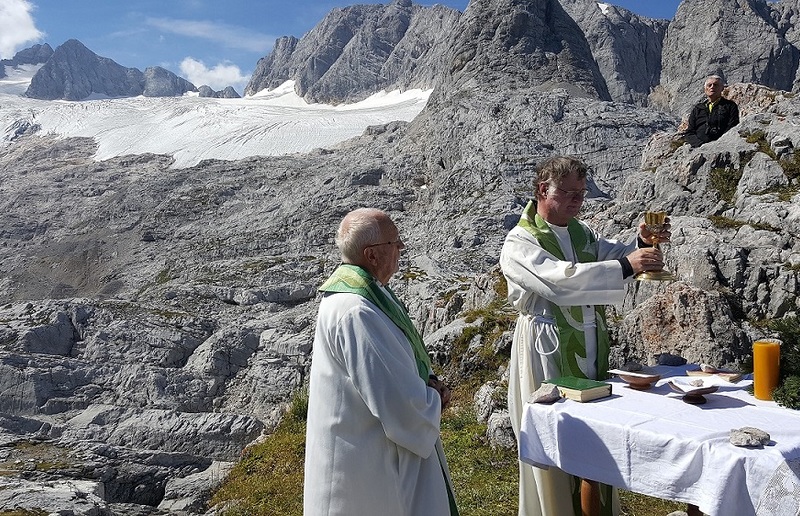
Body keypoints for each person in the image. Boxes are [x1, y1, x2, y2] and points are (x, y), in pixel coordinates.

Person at [499, 156, 670, 516]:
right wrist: (625, 265)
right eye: (568, 193)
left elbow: (611, 257)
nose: (577, 200)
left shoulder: (581, 232)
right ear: (543, 190)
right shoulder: (520, 241)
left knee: (594, 436)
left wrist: (641, 243)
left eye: (581, 192)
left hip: (589, 345)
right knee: (556, 440)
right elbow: (559, 281)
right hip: (546, 346)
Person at [303, 207, 458, 516]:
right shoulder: (356, 311)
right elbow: (398, 403)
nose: (401, 247)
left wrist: (426, 381)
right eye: (394, 242)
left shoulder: (368, 294)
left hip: (364, 442)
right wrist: (434, 399)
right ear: (372, 255)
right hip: (368, 460)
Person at [684, 74, 739, 147]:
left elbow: (733, 127)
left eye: (715, 85)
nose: (712, 87)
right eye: (709, 85)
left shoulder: (730, 106)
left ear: (722, 88)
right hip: (698, 148)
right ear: (705, 89)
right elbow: (689, 132)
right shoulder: (698, 109)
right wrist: (700, 145)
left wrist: (719, 143)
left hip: (722, 146)